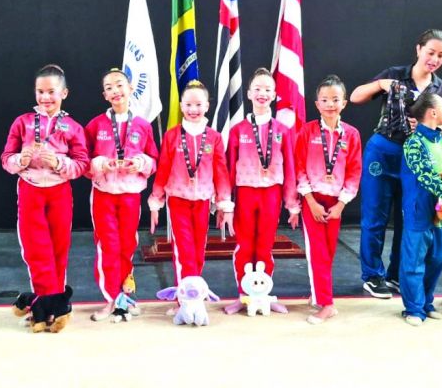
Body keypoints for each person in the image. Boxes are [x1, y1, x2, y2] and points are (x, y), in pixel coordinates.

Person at [350, 29, 442, 299]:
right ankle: (372, 275)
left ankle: (396, 274)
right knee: (375, 216)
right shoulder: (395, 73)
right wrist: (380, 85)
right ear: (419, 49)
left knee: (407, 217)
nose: (434, 59)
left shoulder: (440, 88)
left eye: (441, 55)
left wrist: (431, 127)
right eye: (431, 52)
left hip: (416, 157)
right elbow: (355, 97)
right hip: (384, 151)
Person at [0, 64, 89, 323]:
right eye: (40, 91)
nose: (45, 97)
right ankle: (45, 302)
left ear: (64, 93)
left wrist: (59, 162)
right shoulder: (23, 122)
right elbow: (6, 159)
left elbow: (82, 165)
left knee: (59, 248)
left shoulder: (72, 127)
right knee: (35, 248)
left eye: (51, 92)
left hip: (59, 191)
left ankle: (54, 304)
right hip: (30, 189)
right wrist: (20, 159)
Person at [148, 79, 234, 316]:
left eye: (198, 104)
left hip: (203, 200)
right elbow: (163, 169)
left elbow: (221, 172)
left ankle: (194, 293)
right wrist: (156, 202)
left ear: (207, 106)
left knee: (198, 249)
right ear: (181, 106)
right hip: (178, 199)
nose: (193, 109)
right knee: (183, 249)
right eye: (188, 105)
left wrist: (225, 205)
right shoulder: (172, 136)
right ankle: (183, 299)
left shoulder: (214, 137)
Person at [224, 68, 300, 315]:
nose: (262, 93)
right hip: (245, 193)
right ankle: (243, 296)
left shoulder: (283, 130)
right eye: (257, 89)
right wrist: (225, 203)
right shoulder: (238, 130)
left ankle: (264, 295)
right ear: (248, 93)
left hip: (271, 194)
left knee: (265, 245)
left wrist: (292, 204)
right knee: (244, 245)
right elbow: (228, 169)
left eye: (268, 89)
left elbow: (290, 168)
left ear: (274, 95)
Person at [85, 68, 158, 321]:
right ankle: (110, 299)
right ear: (104, 95)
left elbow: (154, 159)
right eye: (109, 88)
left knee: (127, 244)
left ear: (130, 89)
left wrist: (141, 163)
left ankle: (125, 296)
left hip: (130, 195)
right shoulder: (95, 125)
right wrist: (100, 164)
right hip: (104, 194)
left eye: (119, 85)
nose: (115, 91)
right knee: (108, 245)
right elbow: (83, 160)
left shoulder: (143, 125)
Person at [295, 75, 362, 324]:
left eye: (335, 99)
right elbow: (299, 167)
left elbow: (354, 171)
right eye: (324, 100)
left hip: (336, 203)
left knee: (329, 251)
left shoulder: (351, 134)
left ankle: (318, 292)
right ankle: (327, 303)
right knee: (318, 252)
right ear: (317, 104)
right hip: (312, 199)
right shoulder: (307, 131)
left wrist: (341, 204)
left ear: (344, 103)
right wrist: (310, 201)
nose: (330, 104)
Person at [400, 92, 442, 326]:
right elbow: (428, 177)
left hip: (441, 207)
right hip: (418, 207)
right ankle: (414, 308)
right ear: (433, 113)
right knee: (414, 260)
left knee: (437, 257)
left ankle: (427, 301)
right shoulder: (414, 144)